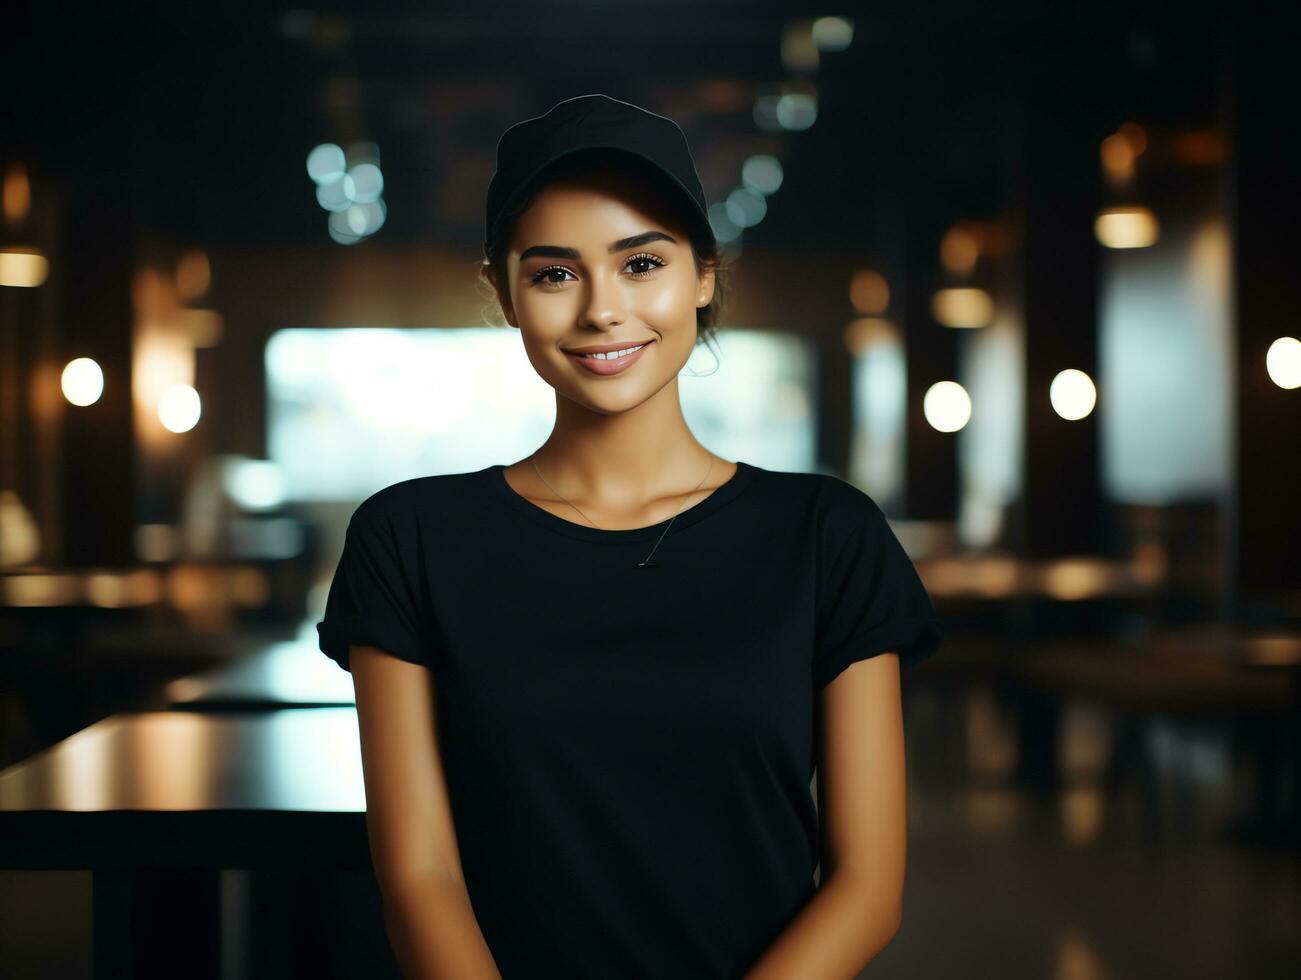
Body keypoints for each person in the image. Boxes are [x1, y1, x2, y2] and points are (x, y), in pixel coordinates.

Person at [317, 93, 944, 979]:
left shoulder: (824, 534)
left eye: (641, 262)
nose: (602, 311)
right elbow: (420, 878)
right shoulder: (409, 536)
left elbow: (867, 885)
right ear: (503, 295)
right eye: (554, 273)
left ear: (702, 275)